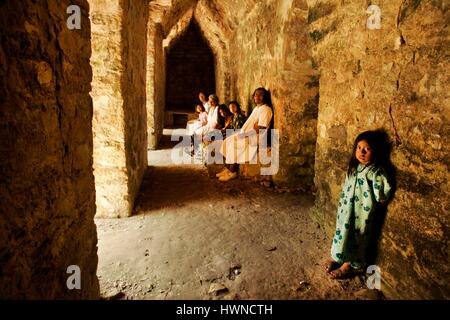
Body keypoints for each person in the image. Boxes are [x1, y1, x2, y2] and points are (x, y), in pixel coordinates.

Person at [325, 130, 393, 279]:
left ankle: (349, 265)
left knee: (356, 237)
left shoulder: (375, 172)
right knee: (341, 232)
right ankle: (338, 256)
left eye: (367, 149)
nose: (361, 152)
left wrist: (381, 197)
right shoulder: (355, 167)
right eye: (358, 148)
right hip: (346, 210)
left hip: (361, 214)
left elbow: (382, 193)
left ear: (376, 151)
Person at [215, 88, 273, 182]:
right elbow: (254, 125)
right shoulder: (257, 108)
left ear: (265, 96)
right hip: (247, 133)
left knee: (234, 146)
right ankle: (227, 169)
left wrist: (247, 134)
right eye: (255, 95)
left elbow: (261, 128)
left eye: (260, 95)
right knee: (227, 141)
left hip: (255, 137)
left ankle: (232, 172)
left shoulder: (266, 109)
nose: (257, 97)